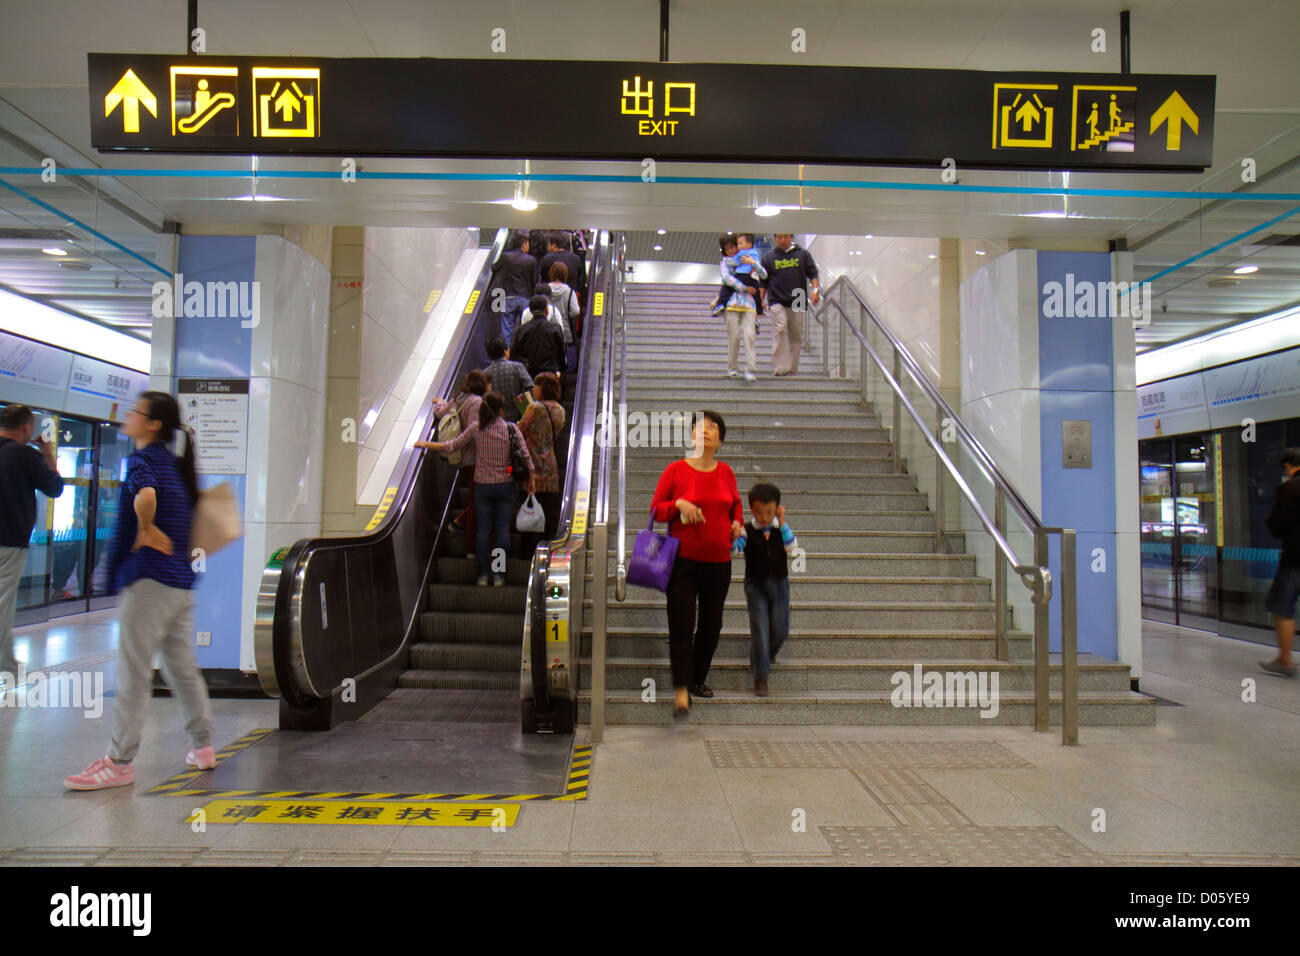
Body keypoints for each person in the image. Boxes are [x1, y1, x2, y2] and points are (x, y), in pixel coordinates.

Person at [64, 392, 215, 790]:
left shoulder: (144, 461)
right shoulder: (177, 468)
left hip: (150, 581)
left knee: (133, 672)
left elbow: (145, 496)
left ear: (152, 424)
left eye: (135, 411)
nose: (128, 416)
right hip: (180, 584)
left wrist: (145, 527)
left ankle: (119, 761)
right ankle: (202, 748)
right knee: (181, 669)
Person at [650, 410, 743, 719]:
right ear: (690, 436)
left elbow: (736, 507)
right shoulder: (675, 470)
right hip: (683, 563)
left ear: (720, 439)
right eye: (700, 427)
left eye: (713, 428)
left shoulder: (726, 472)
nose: (705, 431)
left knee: (711, 627)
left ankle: (696, 678)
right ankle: (680, 694)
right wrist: (678, 504)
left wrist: (737, 525)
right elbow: (656, 511)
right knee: (681, 625)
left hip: (719, 563)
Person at [416, 391, 535, 587]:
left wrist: (427, 444)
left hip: (482, 487)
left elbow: (452, 445)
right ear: (501, 410)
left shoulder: (476, 428)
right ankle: (498, 575)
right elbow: (526, 456)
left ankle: (482, 575)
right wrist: (532, 479)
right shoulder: (510, 428)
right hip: (505, 487)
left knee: (483, 531)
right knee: (502, 531)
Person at [0, 404, 64, 685]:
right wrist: (48, 454)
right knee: (3, 602)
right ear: (26, 427)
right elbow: (55, 488)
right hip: (9, 540)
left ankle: (8, 664)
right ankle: (6, 668)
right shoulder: (25, 455)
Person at [732, 483, 798, 697]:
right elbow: (735, 550)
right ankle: (761, 677)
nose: (764, 517)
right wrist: (733, 538)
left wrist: (783, 522)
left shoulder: (781, 529)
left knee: (780, 629)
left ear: (777, 509)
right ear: (752, 510)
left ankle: (768, 653)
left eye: (769, 513)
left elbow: (792, 547)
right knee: (760, 629)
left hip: (780, 585)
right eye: (759, 512)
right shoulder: (748, 531)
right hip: (756, 586)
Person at [436, 369, 489, 544]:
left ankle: (459, 523)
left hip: (463, 459)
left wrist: (440, 404)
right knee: (477, 502)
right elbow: (475, 429)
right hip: (475, 457)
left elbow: (440, 413)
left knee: (479, 499)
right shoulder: (477, 402)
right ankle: (471, 548)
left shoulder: (458, 398)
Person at [1261, 448, 1300, 677]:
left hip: (1295, 560)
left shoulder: (1289, 488)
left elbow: (1277, 526)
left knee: (1283, 608)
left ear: (1288, 466)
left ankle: (1285, 661)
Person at [760, 233, 820, 376]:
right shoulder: (768, 257)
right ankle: (780, 367)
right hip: (776, 299)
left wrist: (815, 290)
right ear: (775, 238)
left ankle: (792, 368)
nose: (782, 240)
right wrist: (759, 300)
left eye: (785, 237)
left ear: (791, 237)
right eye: (779, 237)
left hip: (798, 297)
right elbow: (763, 281)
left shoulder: (803, 254)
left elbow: (813, 274)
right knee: (780, 329)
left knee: (795, 335)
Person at [517, 372, 566, 540]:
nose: (534, 390)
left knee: (529, 507)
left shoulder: (534, 408)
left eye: (536, 387)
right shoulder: (560, 410)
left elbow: (520, 430)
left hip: (532, 465)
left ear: (543, 388)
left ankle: (528, 549)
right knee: (545, 509)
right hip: (550, 466)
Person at [717, 234, 767, 383]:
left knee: (749, 335)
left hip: (749, 304)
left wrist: (753, 263)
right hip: (732, 304)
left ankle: (751, 369)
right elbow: (727, 278)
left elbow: (764, 274)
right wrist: (744, 288)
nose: (731, 250)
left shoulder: (751, 257)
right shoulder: (726, 262)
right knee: (734, 337)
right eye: (728, 249)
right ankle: (732, 367)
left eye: (734, 247)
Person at [488, 232, 539, 342]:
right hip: (525, 298)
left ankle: (508, 354)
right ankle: (524, 354)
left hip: (508, 297)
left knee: (507, 329)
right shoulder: (531, 260)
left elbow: (494, 268)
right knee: (526, 327)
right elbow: (535, 282)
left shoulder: (506, 257)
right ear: (524, 245)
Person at [511, 295, 567, 380]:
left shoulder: (520, 330)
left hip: (528, 375)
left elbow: (514, 355)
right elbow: (561, 354)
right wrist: (562, 371)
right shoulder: (555, 329)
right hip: (550, 374)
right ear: (547, 310)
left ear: (530, 311)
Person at [482, 336, 534, 422]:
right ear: (505, 351)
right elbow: (530, 387)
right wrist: (523, 406)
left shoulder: (485, 373)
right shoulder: (517, 367)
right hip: (518, 417)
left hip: (495, 420)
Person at [539, 230, 586, 300]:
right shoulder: (576, 259)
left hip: (551, 298)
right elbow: (582, 280)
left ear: (553, 245)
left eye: (548, 244)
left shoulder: (546, 259)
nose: (547, 246)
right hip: (570, 297)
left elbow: (543, 281)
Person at [543, 264, 579, 347]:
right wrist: (567, 314)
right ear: (565, 275)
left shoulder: (545, 289)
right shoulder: (569, 291)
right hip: (565, 330)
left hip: (547, 329)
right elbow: (575, 311)